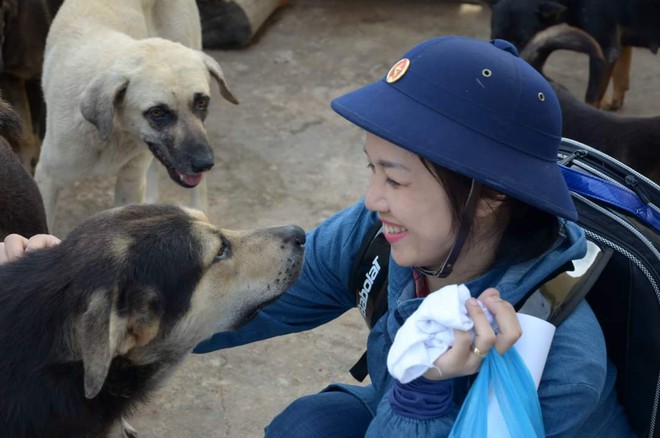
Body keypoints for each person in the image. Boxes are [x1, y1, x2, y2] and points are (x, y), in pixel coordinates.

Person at [1, 36, 632, 437]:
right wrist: (59, 300)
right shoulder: (378, 240)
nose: (371, 199)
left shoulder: (554, 364)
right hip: (394, 412)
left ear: (490, 195)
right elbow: (221, 309)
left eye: (395, 178)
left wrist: (421, 396)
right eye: (370, 168)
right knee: (313, 424)